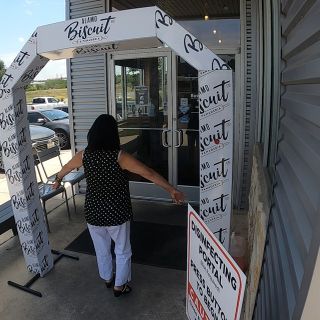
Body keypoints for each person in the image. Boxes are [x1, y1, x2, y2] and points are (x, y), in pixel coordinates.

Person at [52, 114, 184, 297]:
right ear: (113, 134)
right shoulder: (120, 156)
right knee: (122, 250)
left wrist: (57, 179)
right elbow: (150, 174)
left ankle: (107, 277)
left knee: (101, 249)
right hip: (116, 213)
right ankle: (119, 285)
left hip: (93, 212)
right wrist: (171, 190)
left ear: (93, 134)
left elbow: (65, 167)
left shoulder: (84, 155)